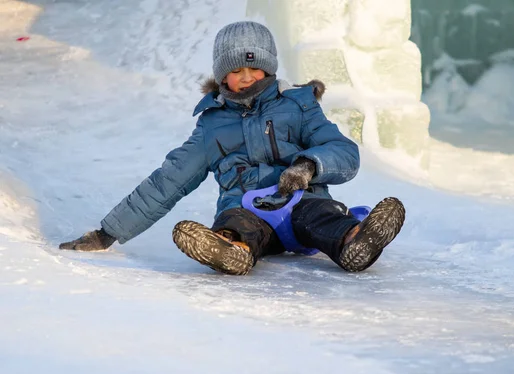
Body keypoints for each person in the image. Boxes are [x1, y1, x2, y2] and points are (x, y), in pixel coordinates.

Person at [59, 21, 405, 275]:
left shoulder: (298, 106)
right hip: (247, 208)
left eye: (255, 67)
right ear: (221, 76)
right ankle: (230, 249)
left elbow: (344, 152)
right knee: (236, 221)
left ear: (268, 68)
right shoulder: (211, 126)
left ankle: (355, 240)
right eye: (236, 69)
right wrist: (108, 233)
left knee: (323, 217)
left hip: (302, 200)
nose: (246, 76)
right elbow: (168, 181)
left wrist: (308, 166)